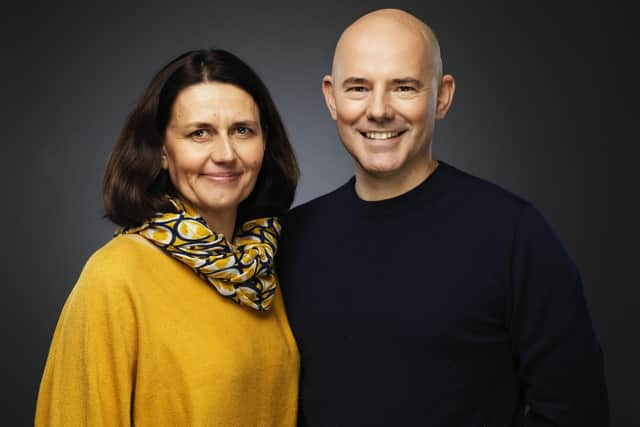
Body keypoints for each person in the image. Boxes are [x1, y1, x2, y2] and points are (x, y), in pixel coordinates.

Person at [277, 9, 609, 426]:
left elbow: (574, 410)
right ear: (331, 98)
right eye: (359, 87)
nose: (378, 110)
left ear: (443, 95)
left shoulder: (513, 234)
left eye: (404, 87)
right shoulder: (291, 240)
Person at [35, 49, 300, 426]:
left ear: (264, 143)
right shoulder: (115, 278)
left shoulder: (261, 271)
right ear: (162, 150)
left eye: (242, 130)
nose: (226, 154)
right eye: (199, 133)